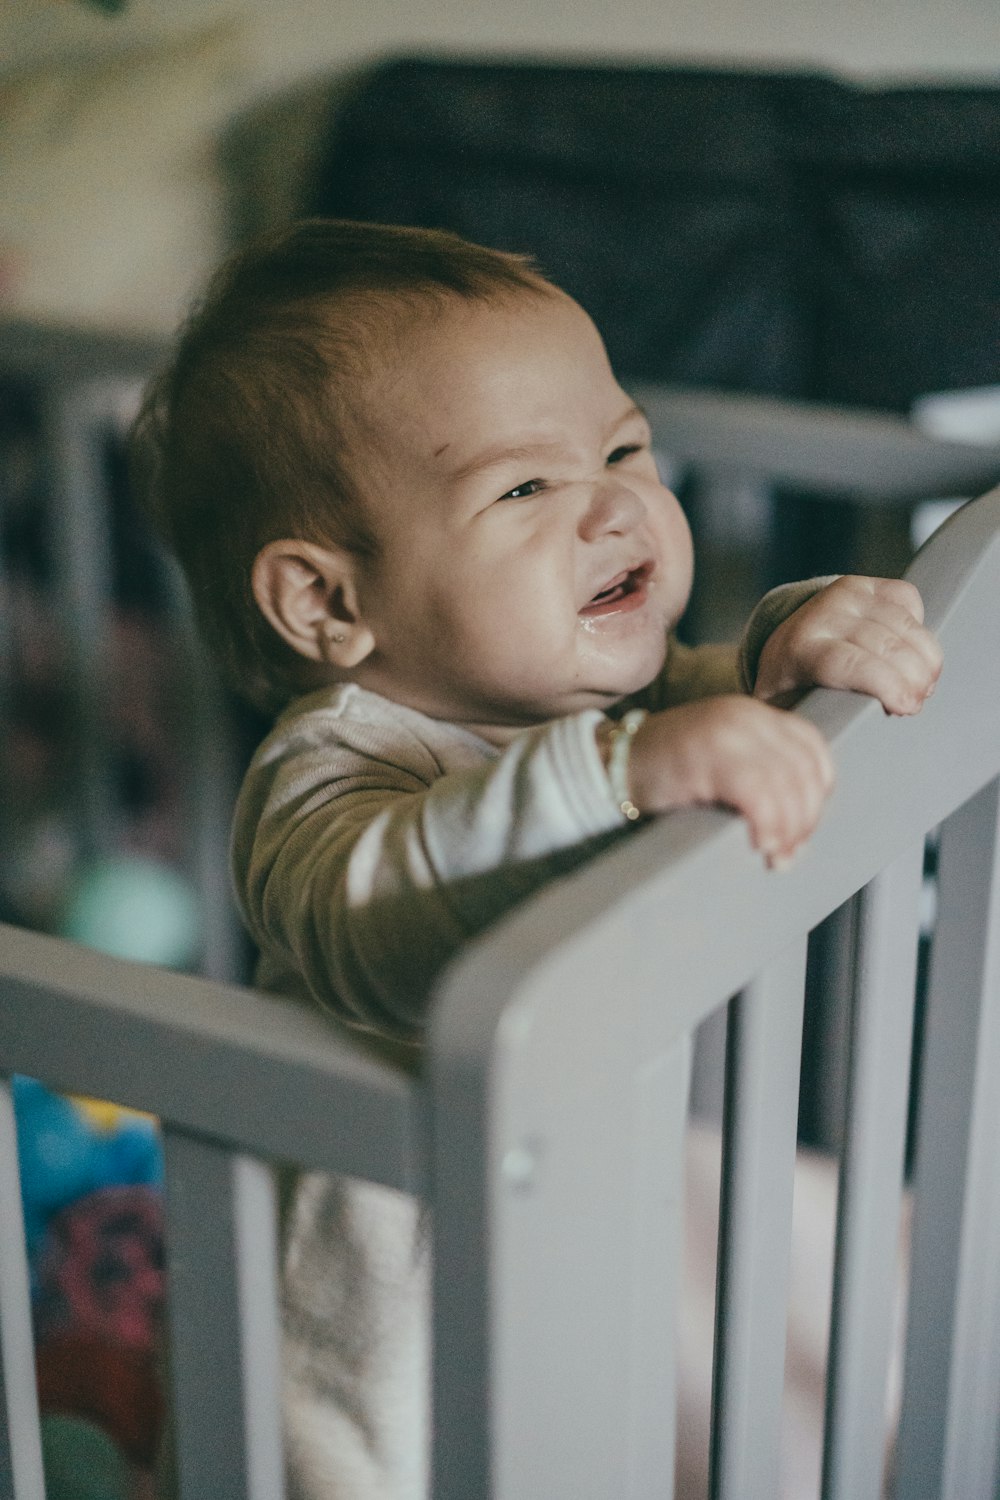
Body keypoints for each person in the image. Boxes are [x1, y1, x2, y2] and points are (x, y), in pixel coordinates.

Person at [131, 218, 941, 1499]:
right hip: (358, 1331)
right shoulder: (332, 766)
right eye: (523, 488)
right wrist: (623, 774)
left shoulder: (579, 703)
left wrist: (801, 634)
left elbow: (721, 689)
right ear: (330, 604)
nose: (615, 504)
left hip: (541, 1209)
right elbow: (367, 917)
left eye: (621, 448)